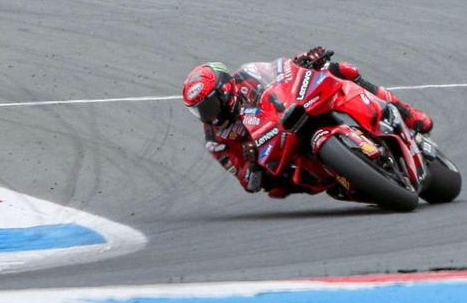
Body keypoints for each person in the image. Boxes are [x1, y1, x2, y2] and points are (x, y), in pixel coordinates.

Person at [182, 48, 433, 198]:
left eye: (208, 105)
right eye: (199, 111)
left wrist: (304, 59)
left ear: (225, 90)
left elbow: (280, 71)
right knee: (280, 186)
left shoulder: (246, 77)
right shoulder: (216, 140)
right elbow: (249, 184)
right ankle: (350, 175)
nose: (207, 115)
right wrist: (252, 164)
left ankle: (407, 113)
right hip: (277, 158)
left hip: (289, 113)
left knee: (339, 69)